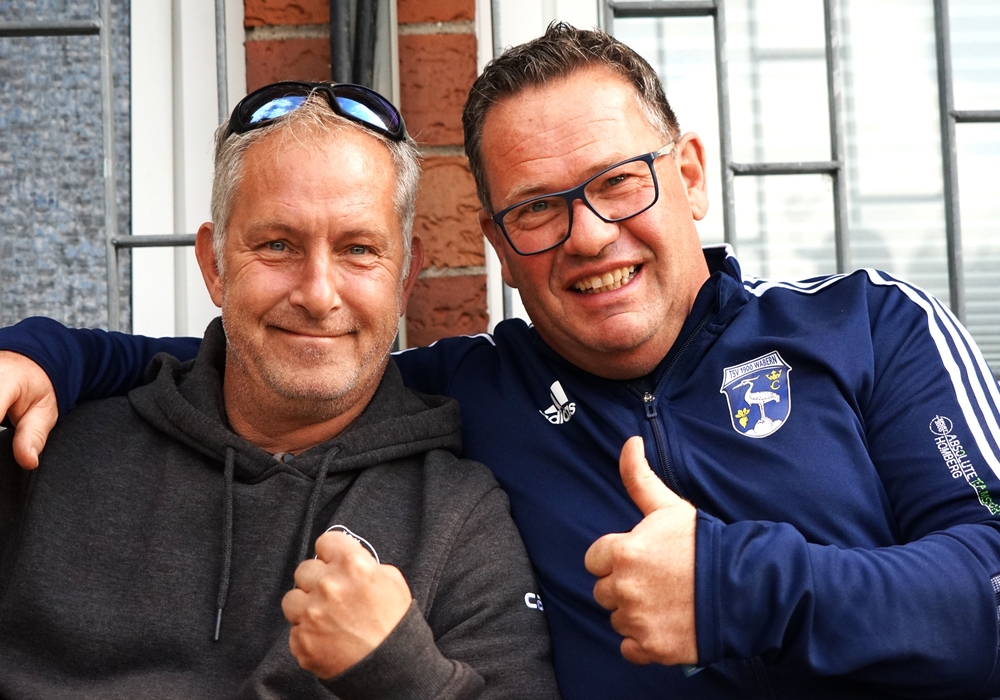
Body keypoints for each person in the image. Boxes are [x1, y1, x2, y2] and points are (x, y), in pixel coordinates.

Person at [2, 22, 1000, 699]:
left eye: (619, 182)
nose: (589, 234)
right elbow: (282, 352)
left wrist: (734, 587)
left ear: (690, 175)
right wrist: (49, 353)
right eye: (536, 209)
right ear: (494, 243)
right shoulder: (475, 390)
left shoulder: (869, 327)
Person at [0, 81, 558, 699]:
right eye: (277, 245)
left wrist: (400, 673)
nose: (318, 294)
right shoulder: (47, 450)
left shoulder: (457, 517)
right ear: (215, 266)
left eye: (358, 249)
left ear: (404, 279)